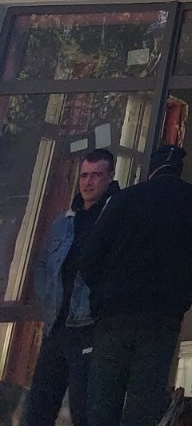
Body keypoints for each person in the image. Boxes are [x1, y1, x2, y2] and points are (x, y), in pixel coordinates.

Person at [79, 146, 192, 426]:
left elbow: (90, 258)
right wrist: (180, 287)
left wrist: (104, 293)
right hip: (162, 316)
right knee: (144, 401)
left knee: (103, 398)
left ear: (150, 170)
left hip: (115, 313)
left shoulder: (124, 199)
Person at [23, 148, 119, 426]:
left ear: (110, 177)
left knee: (83, 408)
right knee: (39, 406)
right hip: (57, 325)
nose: (88, 182)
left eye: (96, 175)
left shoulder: (115, 218)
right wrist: (48, 304)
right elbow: (43, 265)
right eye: (84, 175)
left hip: (89, 327)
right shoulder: (64, 222)